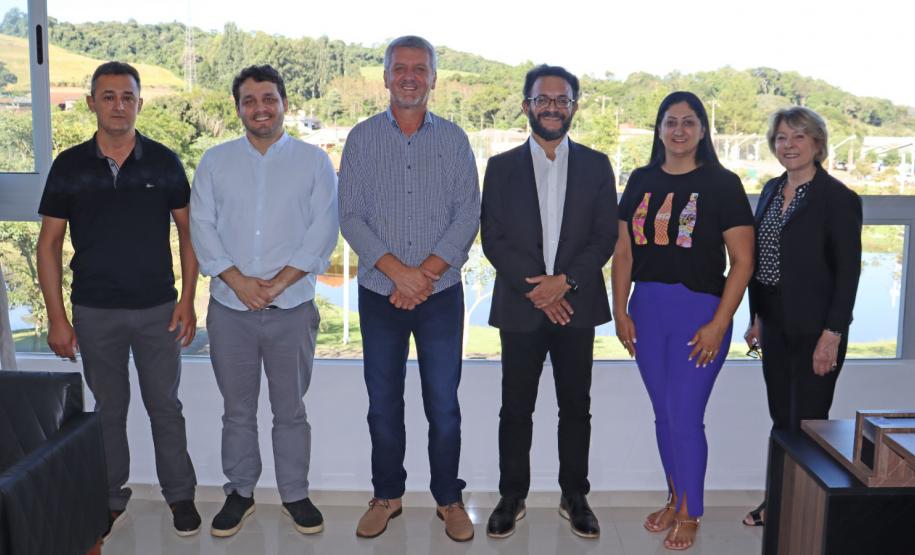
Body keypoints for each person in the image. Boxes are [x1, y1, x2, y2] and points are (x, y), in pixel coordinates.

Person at [36, 61, 201, 539]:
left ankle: (181, 495)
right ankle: (109, 497)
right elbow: (48, 244)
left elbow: (188, 234)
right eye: (108, 96)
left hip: (157, 310)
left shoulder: (164, 161)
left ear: (139, 103)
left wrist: (188, 300)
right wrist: (57, 318)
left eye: (127, 97)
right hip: (94, 310)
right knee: (107, 408)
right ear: (91, 103)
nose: (118, 105)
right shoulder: (69, 166)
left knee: (164, 405)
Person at [338, 35, 481, 543]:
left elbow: (468, 213)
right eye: (400, 68)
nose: (410, 76)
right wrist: (400, 273)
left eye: (420, 68)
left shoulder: (454, 140)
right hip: (380, 294)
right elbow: (349, 216)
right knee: (383, 404)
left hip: (440, 296)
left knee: (443, 404)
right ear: (385, 76)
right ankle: (387, 496)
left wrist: (425, 275)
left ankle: (449, 499)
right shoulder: (360, 139)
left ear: (433, 78)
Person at [190, 64, 339, 538]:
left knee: (290, 409)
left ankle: (295, 493)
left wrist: (275, 285)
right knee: (236, 409)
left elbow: (322, 231)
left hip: (291, 307)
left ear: (284, 104)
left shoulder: (314, 162)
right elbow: (202, 227)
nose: (260, 108)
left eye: (268, 99)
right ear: (238, 108)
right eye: (250, 100)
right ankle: (240, 492)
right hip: (230, 309)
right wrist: (238, 281)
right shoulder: (215, 161)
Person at [611, 91, 755, 550]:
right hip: (647, 310)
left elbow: (743, 262)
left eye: (689, 122)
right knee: (663, 415)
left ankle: (692, 511)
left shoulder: (722, 183)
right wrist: (619, 311)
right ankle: (675, 498)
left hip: (700, 314)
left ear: (702, 130)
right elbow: (623, 252)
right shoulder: (640, 179)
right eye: (670, 122)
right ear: (658, 129)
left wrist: (719, 322)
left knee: (686, 416)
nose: (678, 130)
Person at [480, 64, 617, 540]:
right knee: (515, 408)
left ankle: (574, 495)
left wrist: (566, 283)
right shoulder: (500, 168)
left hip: (576, 305)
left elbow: (604, 236)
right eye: (543, 99)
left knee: (575, 406)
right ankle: (511, 495)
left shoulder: (598, 165)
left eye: (562, 100)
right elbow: (492, 239)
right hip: (521, 307)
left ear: (574, 107)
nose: (553, 107)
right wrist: (539, 289)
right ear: (527, 106)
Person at [742, 106, 862, 527]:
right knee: (782, 421)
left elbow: (848, 273)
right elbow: (759, 261)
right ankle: (776, 501)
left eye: (798, 137)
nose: (788, 146)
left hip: (817, 330)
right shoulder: (772, 190)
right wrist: (756, 316)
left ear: (817, 144)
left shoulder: (839, 199)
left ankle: (804, 512)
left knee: (810, 425)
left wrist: (832, 335)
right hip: (774, 325)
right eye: (780, 138)